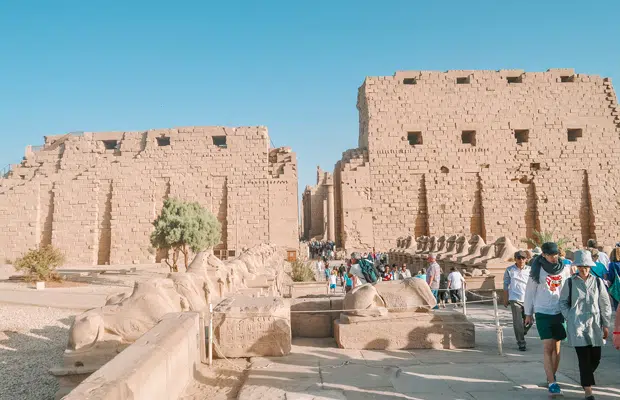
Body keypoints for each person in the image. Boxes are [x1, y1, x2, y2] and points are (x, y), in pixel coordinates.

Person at [559, 250, 612, 400]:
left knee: (596, 358)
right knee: (583, 358)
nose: (584, 269)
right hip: (577, 326)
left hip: (595, 325)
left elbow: (605, 303)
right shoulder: (570, 282)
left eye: (587, 266)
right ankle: (588, 390)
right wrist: (569, 316)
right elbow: (562, 302)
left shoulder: (597, 282)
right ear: (577, 266)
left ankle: (585, 377)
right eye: (581, 266)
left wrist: (606, 324)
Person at [524, 242, 572, 397]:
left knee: (557, 348)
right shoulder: (537, 270)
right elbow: (530, 292)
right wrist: (528, 312)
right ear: (543, 255)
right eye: (550, 254)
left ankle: (551, 375)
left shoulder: (564, 269)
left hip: (559, 311)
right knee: (548, 347)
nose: (553, 257)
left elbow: (567, 289)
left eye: (555, 254)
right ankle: (552, 383)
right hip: (542, 311)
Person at [503, 250, 532, 351]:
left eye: (523, 258)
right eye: (519, 258)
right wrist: (505, 298)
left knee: (531, 320)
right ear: (515, 259)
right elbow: (506, 285)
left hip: (528, 298)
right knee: (518, 322)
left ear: (526, 259)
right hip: (514, 298)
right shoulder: (510, 270)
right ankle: (521, 342)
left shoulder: (530, 270)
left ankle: (521, 332)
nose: (521, 260)